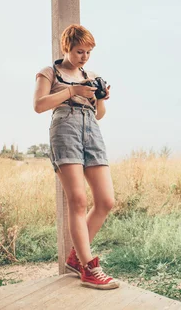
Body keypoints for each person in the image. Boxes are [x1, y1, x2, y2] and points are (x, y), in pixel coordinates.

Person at [33, 24, 118, 290]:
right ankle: (89, 267)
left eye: (89, 52)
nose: (84, 57)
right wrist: (72, 91)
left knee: (106, 201)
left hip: (91, 129)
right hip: (65, 128)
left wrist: (101, 98)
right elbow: (38, 105)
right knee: (78, 200)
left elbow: (99, 114)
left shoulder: (90, 75)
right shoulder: (50, 72)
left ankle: (75, 258)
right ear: (67, 47)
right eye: (80, 51)